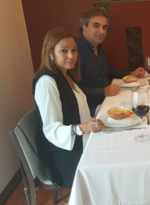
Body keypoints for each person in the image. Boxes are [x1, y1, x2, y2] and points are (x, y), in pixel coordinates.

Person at [33, 27, 104, 188]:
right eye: (64, 51)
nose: (71, 56)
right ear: (51, 53)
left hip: (78, 142)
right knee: (108, 167)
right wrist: (81, 128)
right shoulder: (47, 83)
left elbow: (76, 111)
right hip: (62, 158)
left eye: (74, 50)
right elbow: (52, 130)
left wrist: (91, 123)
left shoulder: (67, 76)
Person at [78, 8, 145, 116]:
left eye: (104, 27)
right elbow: (73, 91)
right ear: (83, 26)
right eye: (96, 26)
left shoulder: (98, 47)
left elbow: (108, 70)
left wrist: (130, 74)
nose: (101, 31)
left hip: (107, 100)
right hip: (90, 109)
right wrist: (103, 91)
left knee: (140, 102)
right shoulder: (74, 52)